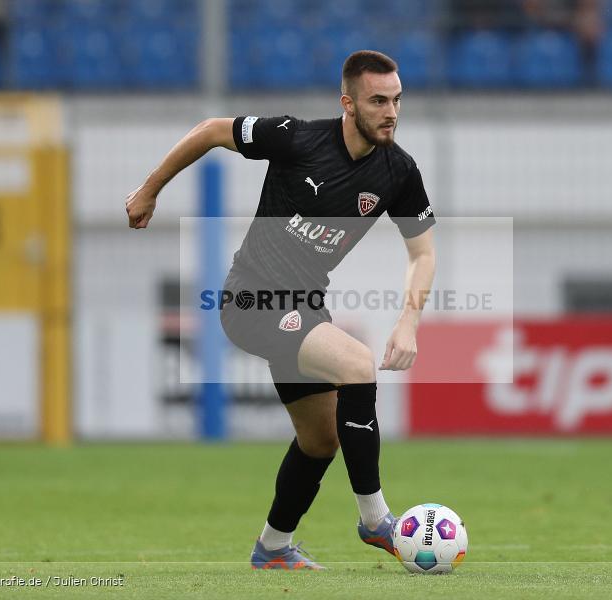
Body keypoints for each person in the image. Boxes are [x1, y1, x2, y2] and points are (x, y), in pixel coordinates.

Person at [125, 50, 436, 570]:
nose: (391, 112)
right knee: (358, 365)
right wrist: (150, 189)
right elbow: (210, 130)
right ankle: (375, 519)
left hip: (304, 306)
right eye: (378, 100)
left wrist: (409, 320)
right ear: (348, 103)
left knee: (320, 440)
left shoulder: (399, 172)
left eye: (397, 99)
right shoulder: (296, 138)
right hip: (250, 300)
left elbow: (423, 252)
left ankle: (271, 548)